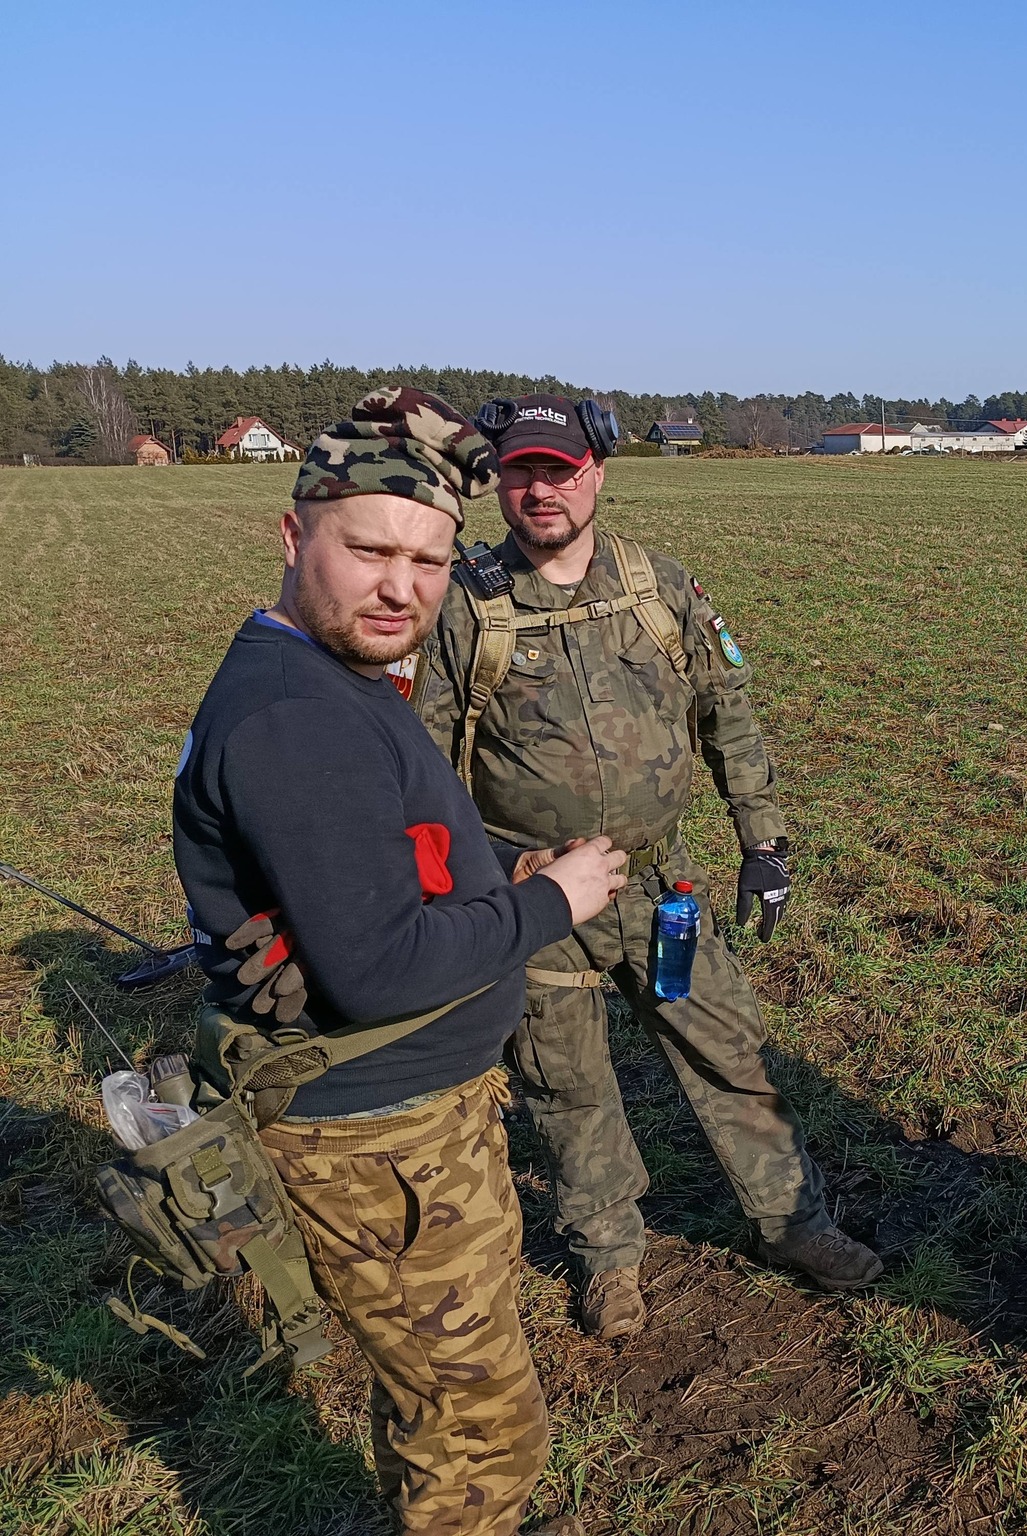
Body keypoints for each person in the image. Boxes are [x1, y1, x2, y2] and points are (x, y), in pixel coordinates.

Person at [173, 387, 629, 1535]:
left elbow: (384, 873)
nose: (400, 588)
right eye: (369, 550)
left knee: (436, 1403)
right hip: (382, 1143)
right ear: (293, 538)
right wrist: (552, 905)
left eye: (428, 562)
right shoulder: (297, 719)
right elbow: (375, 968)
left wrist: (493, 885)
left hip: (407, 1129)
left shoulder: (324, 678)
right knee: (484, 1437)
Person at [411, 394, 880, 1342]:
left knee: (731, 1051)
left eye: (560, 471)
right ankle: (607, 1257)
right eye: (521, 472)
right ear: (498, 481)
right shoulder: (468, 606)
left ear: (596, 475)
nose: (541, 490)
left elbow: (727, 713)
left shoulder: (658, 589)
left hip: (661, 890)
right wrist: (489, 879)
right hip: (539, 900)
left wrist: (763, 841)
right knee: (566, 1083)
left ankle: (796, 1224)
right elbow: (420, 770)